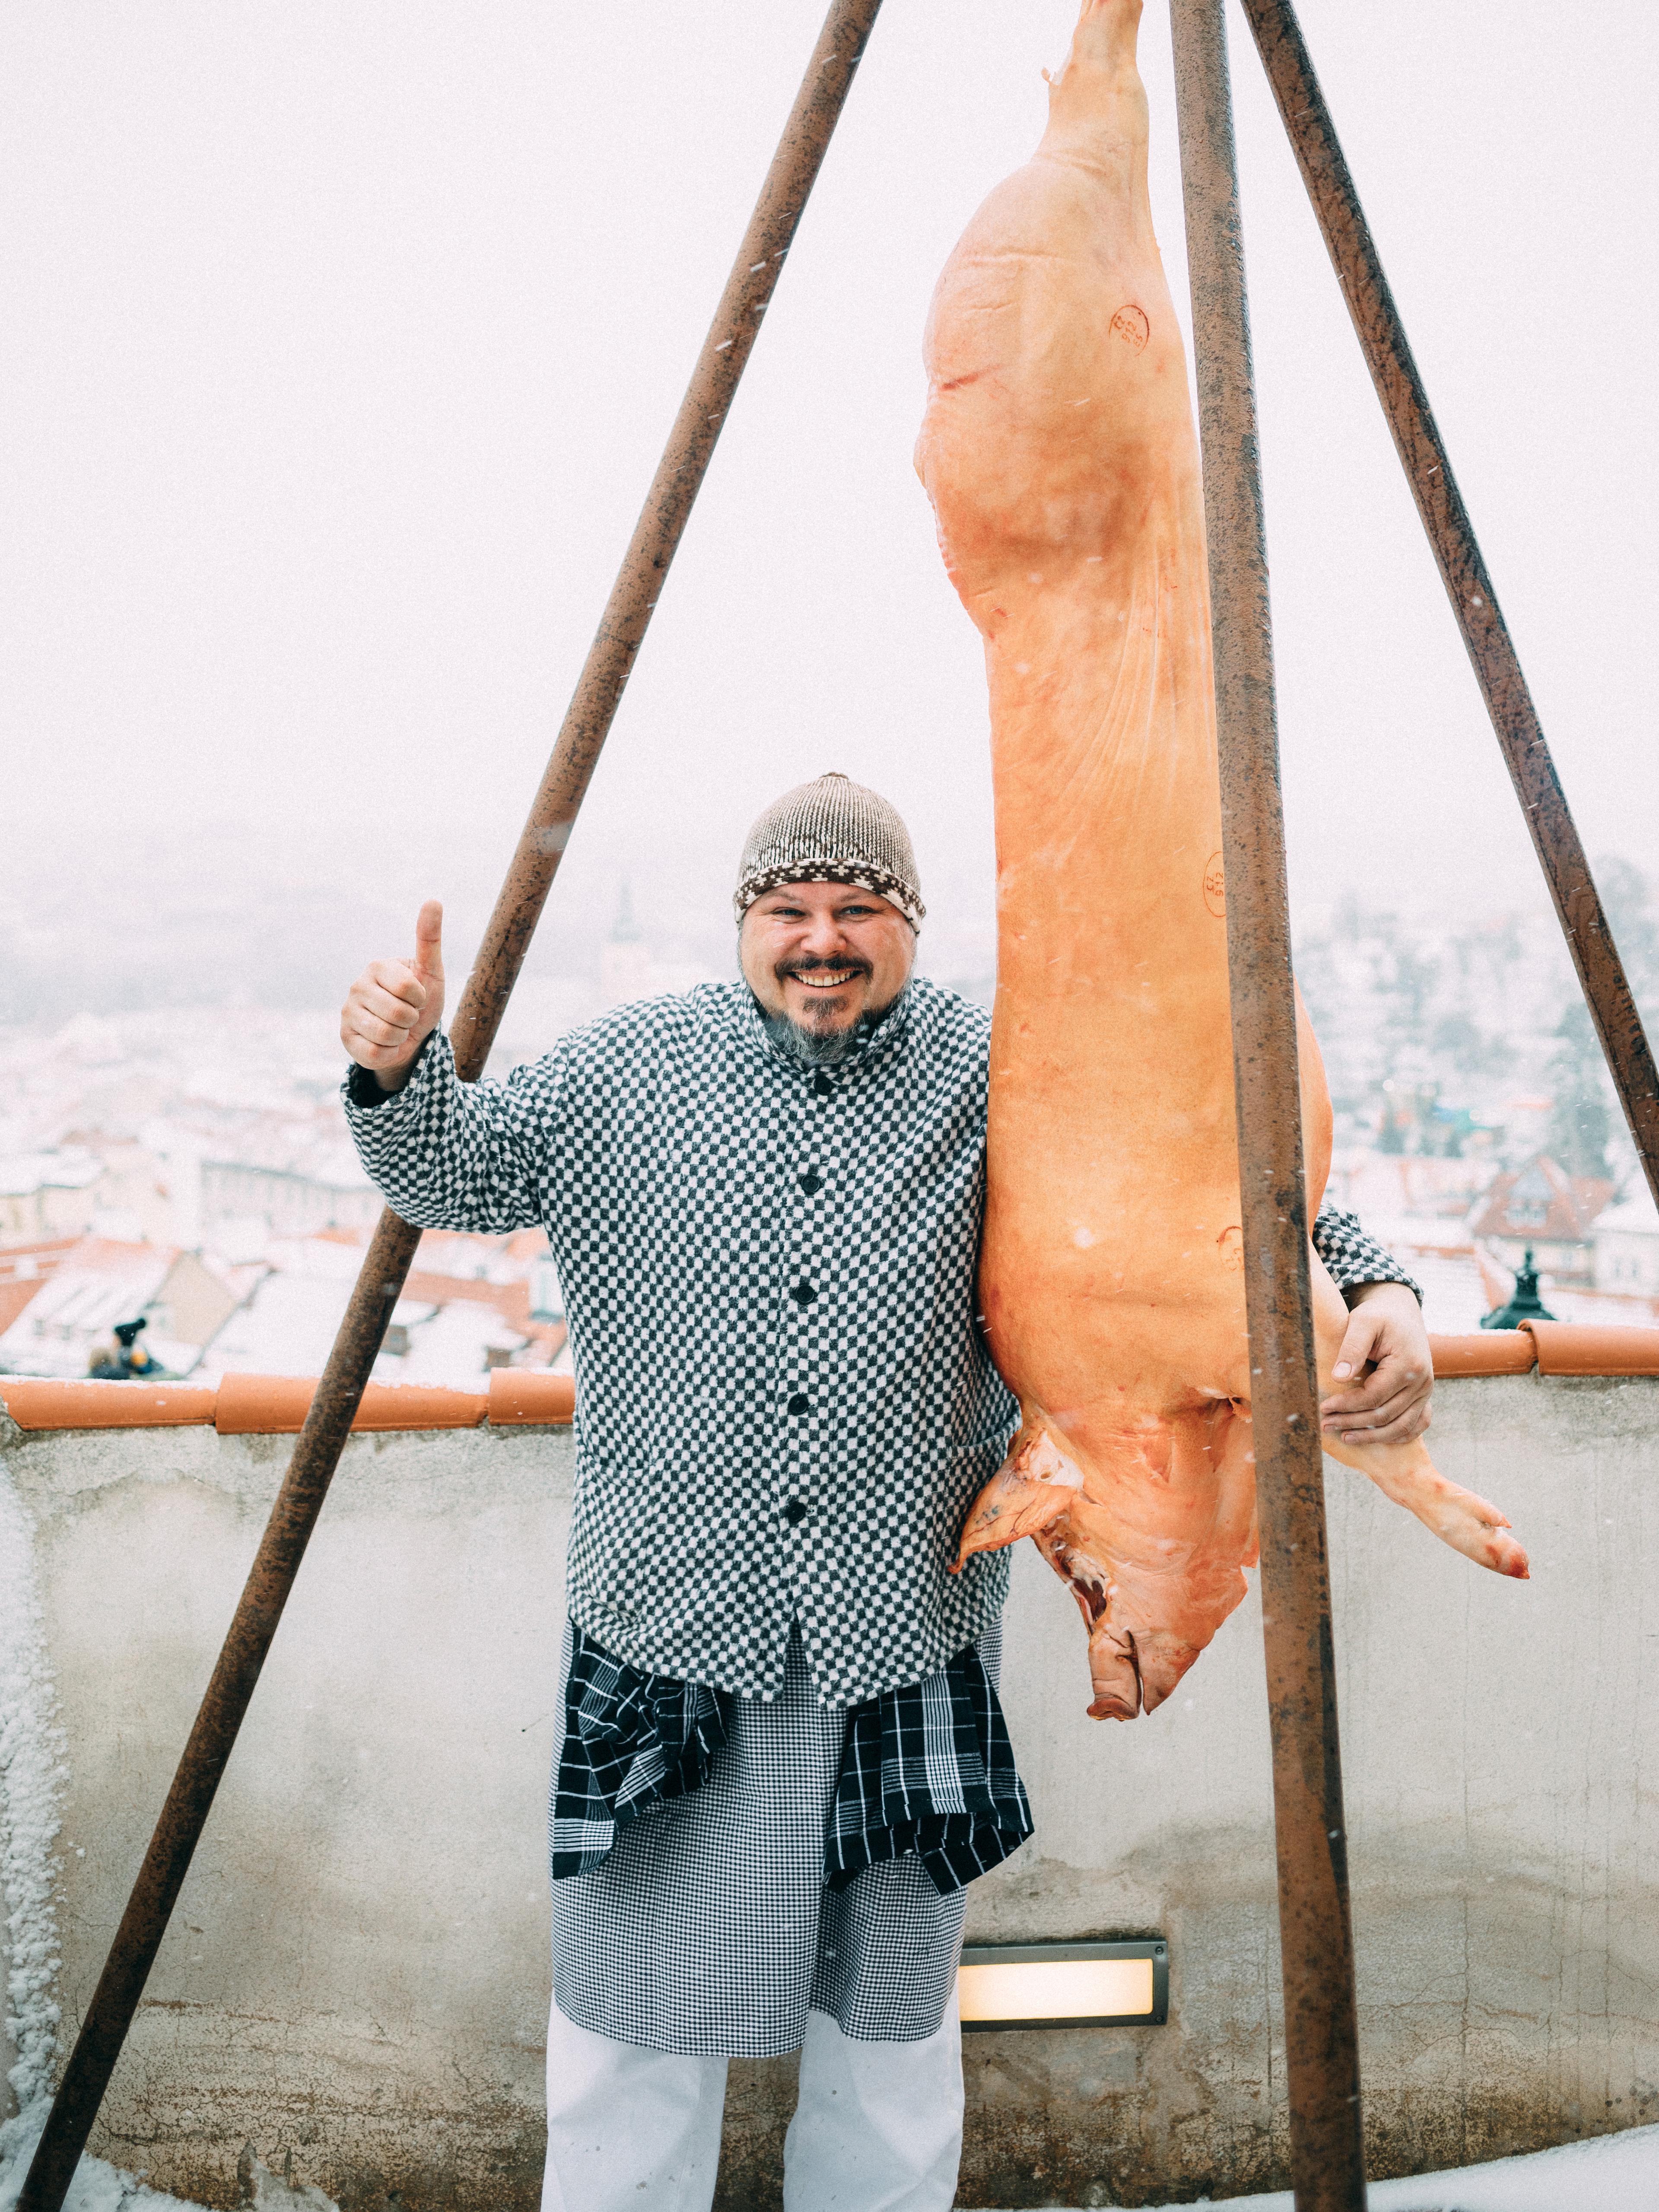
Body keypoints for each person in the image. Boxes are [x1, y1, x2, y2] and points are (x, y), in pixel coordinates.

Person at [340, 772, 1431, 2212]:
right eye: (790, 909)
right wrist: (399, 1066)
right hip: (673, 1631)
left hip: (899, 1643)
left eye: (860, 909)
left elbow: (1207, 1183)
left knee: (890, 2062)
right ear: (746, 922)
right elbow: (453, 1167)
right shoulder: (623, 1068)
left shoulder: (1005, 1074)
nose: (822, 938)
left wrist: (1377, 1282)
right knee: (626, 2062)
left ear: (910, 923)